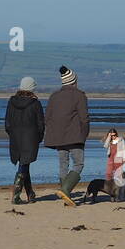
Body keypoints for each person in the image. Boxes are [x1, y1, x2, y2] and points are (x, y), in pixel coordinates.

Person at [43, 65, 89, 206]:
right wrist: (84, 134)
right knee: (79, 164)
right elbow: (84, 118)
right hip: (74, 136)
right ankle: (66, 190)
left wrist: (52, 134)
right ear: (73, 81)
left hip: (58, 137)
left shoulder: (54, 96)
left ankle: (65, 193)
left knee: (63, 165)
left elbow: (47, 118)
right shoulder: (79, 95)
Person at [4, 77, 45, 205]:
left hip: (16, 138)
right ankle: (16, 195)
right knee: (24, 166)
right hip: (30, 138)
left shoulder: (11, 102)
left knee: (24, 165)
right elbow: (41, 124)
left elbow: (7, 123)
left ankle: (30, 193)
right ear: (32, 88)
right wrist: (39, 138)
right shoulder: (35, 103)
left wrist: (12, 134)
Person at [104, 127, 125, 201]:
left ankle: (121, 196)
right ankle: (112, 194)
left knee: (119, 178)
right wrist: (108, 137)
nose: (113, 137)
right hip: (110, 159)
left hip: (119, 159)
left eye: (114, 135)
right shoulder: (109, 141)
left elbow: (124, 149)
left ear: (116, 134)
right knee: (109, 175)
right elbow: (105, 146)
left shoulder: (121, 140)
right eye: (112, 135)